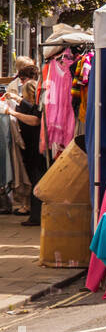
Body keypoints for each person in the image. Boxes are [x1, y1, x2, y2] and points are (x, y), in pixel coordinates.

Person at [5, 67, 44, 228]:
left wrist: (13, 113)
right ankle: (35, 214)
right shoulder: (33, 104)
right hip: (32, 147)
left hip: (35, 148)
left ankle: (36, 216)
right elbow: (29, 107)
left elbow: (34, 119)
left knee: (36, 179)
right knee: (34, 178)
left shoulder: (36, 106)